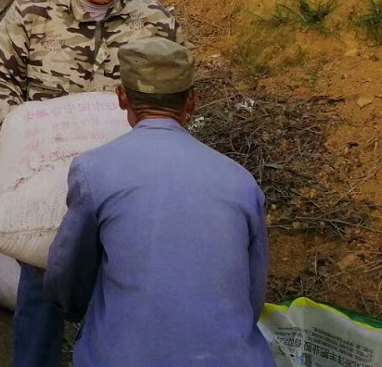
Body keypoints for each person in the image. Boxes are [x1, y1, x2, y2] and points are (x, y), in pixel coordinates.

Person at [0, 0, 187, 367]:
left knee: (121, 288)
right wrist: (18, 142)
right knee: (41, 287)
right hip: (48, 183)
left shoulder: (153, 20)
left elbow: (174, 98)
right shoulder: (33, 12)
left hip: (126, 183)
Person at [44, 37, 273, 366]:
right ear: (192, 102)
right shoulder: (240, 181)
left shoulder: (95, 170)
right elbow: (252, 296)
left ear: (122, 97)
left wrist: (72, 308)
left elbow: (67, 279)